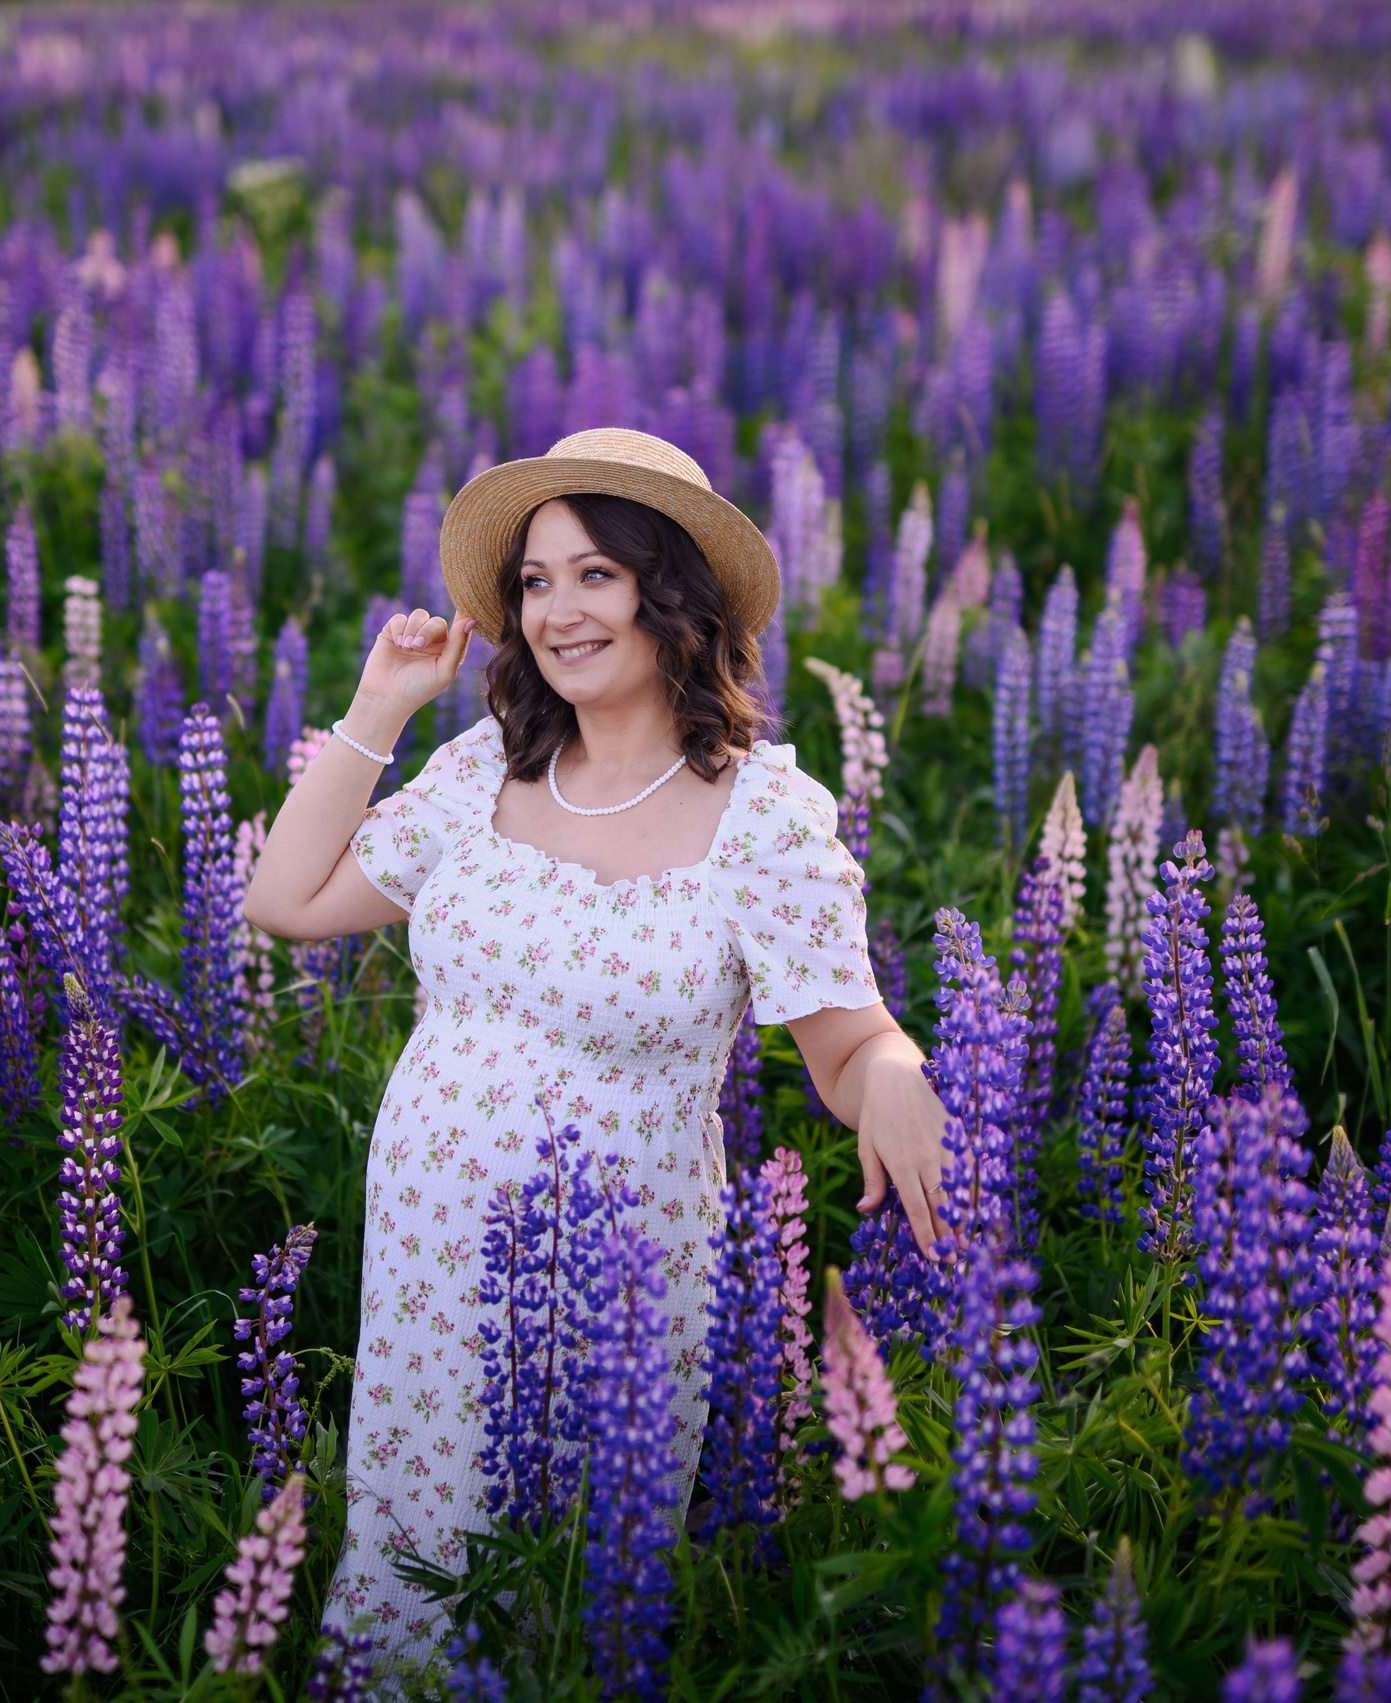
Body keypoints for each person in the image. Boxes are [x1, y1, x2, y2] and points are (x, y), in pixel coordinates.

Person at [242, 428, 948, 1666]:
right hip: (428, 1267)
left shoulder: (765, 816)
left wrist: (897, 1077)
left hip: (618, 1285)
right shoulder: (481, 775)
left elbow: (849, 1040)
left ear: (668, 591)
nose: (558, 611)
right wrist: (376, 706)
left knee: (567, 1595)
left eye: (595, 575)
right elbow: (286, 900)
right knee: (410, 1581)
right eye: (534, 580)